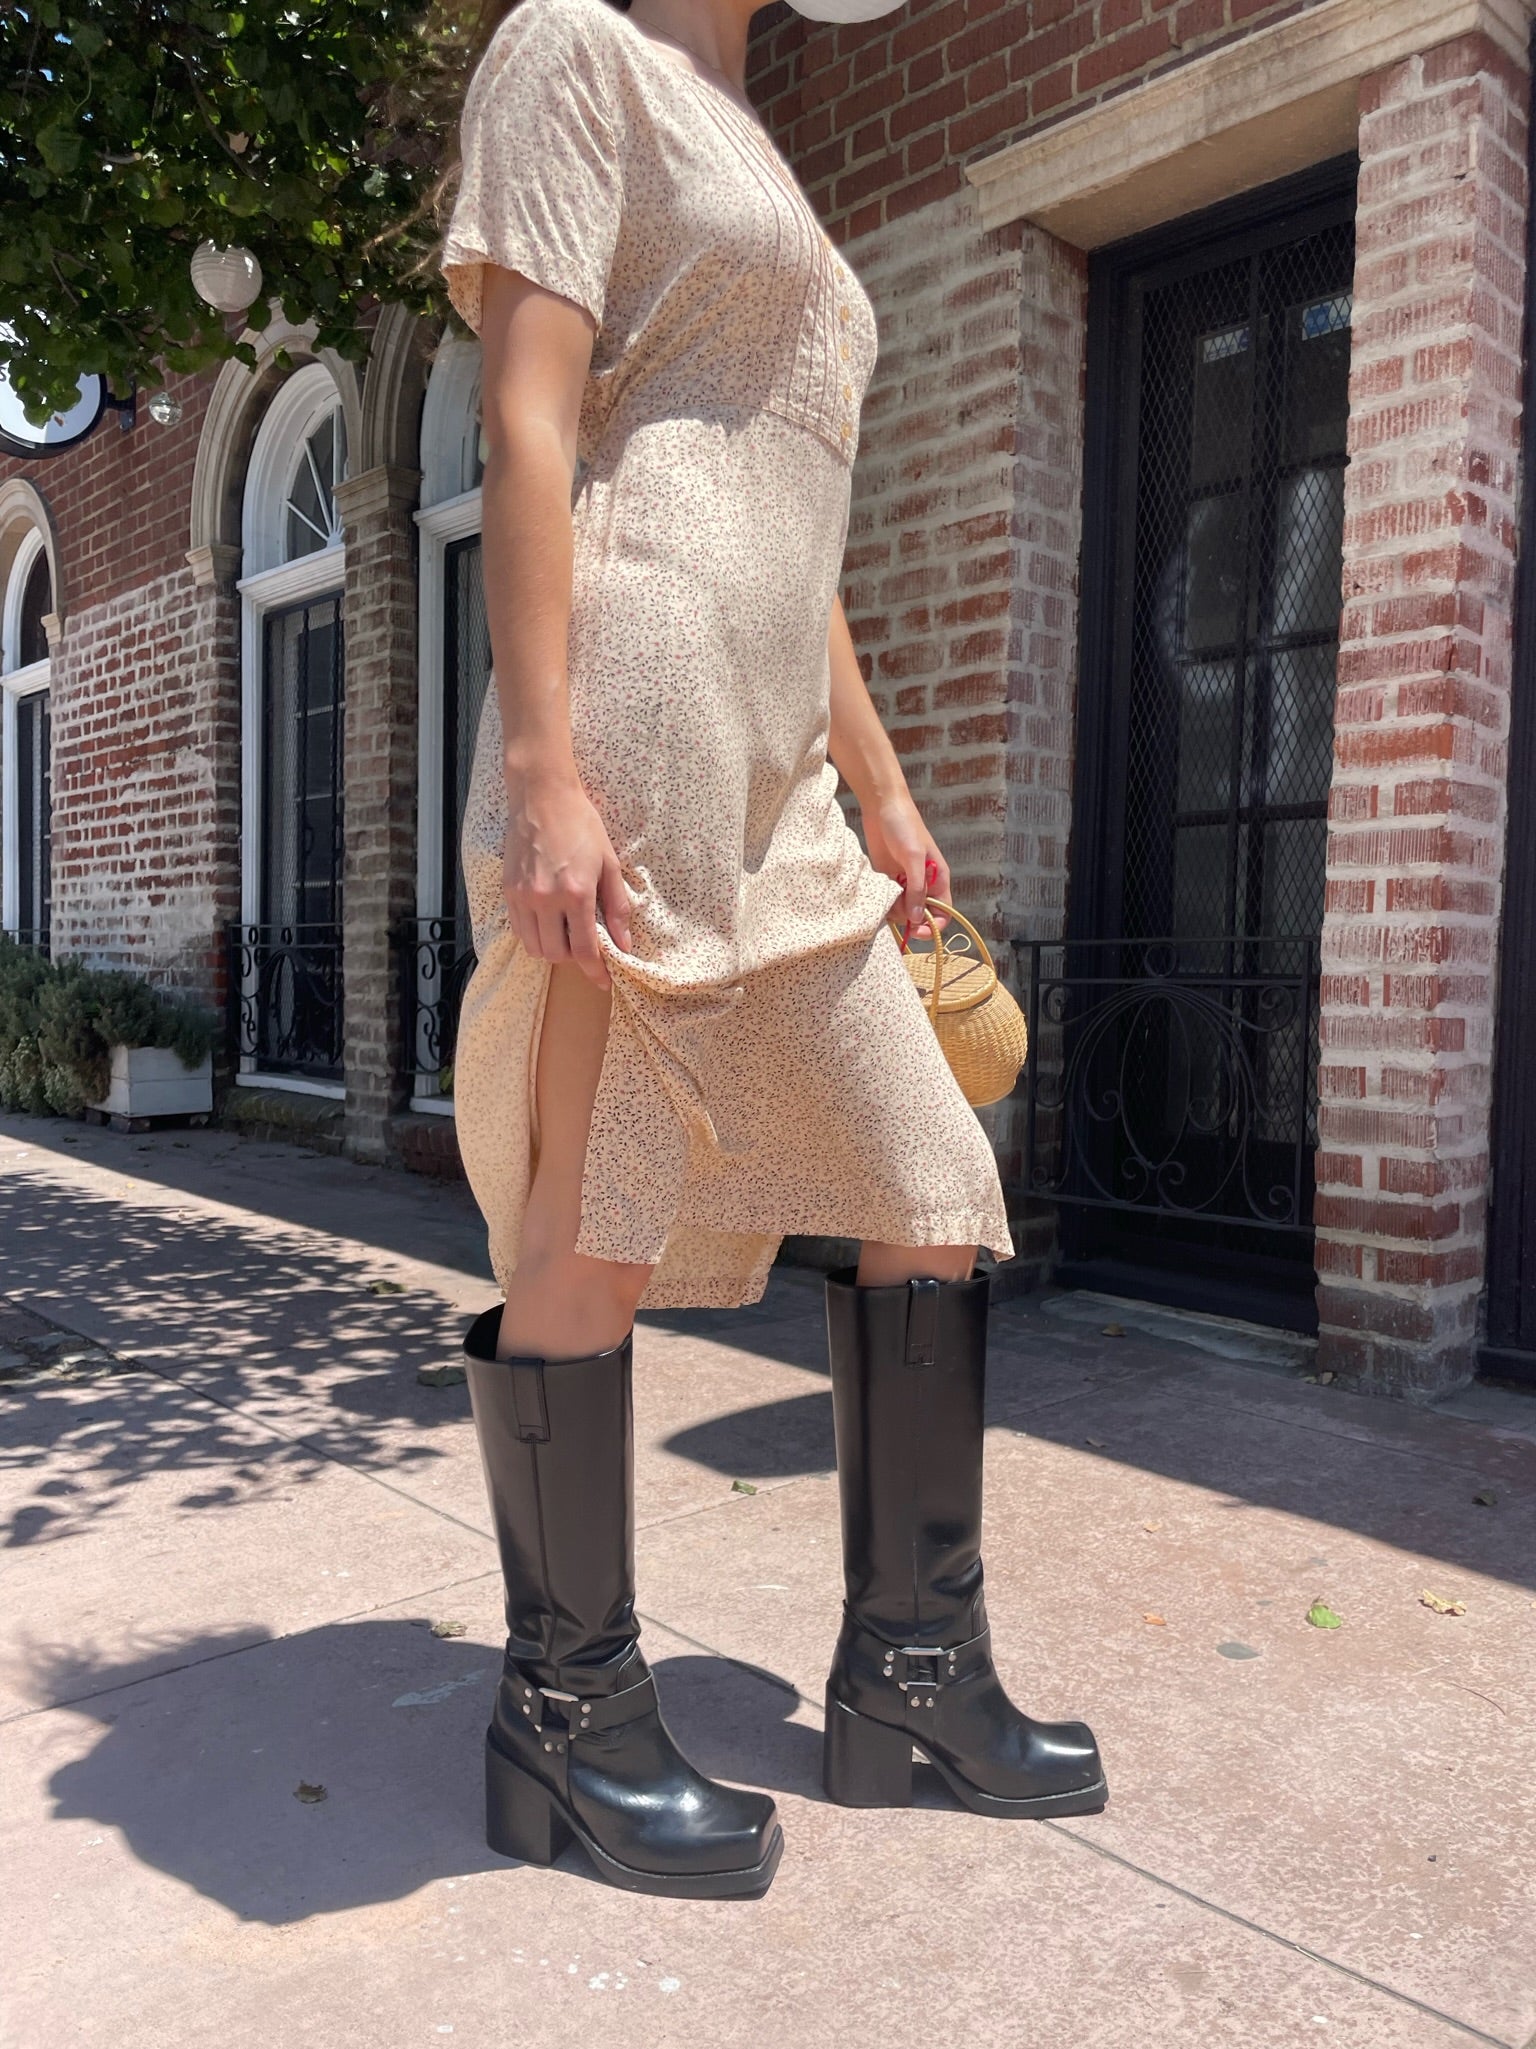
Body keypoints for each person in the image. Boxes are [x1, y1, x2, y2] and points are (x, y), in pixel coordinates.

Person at [435, 0, 1107, 1901]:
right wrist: (549, 762)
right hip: (640, 713)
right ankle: (561, 1720)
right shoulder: (572, 49)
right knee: (597, 1216)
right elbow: (532, 415)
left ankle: (910, 1679)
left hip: (780, 755)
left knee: (932, 1172)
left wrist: (883, 792)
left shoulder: (751, 120)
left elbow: (790, 527)